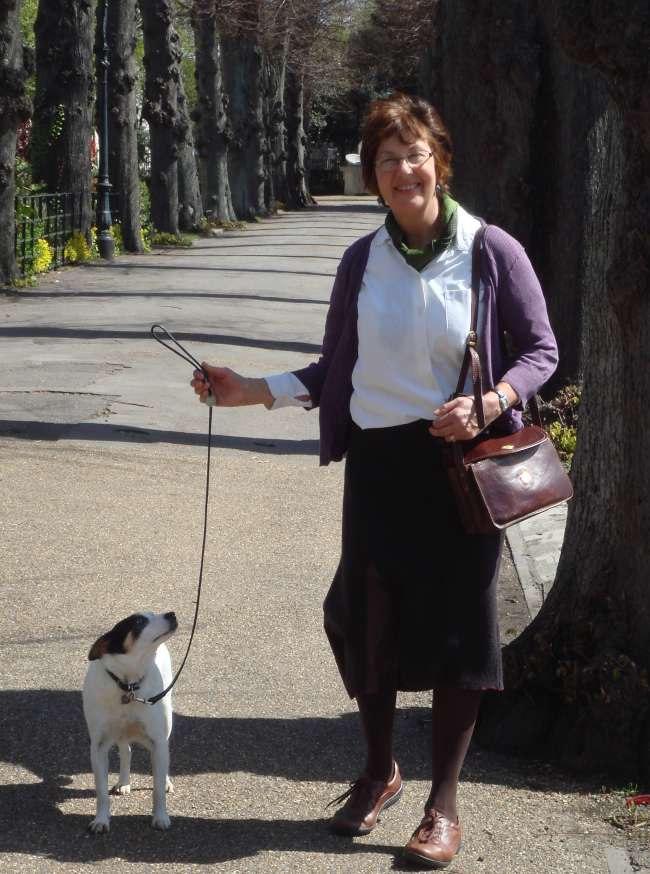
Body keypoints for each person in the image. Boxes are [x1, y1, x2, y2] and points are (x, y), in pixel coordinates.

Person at [191, 92, 558, 869]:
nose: (401, 171)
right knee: (367, 622)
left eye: (413, 154)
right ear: (373, 176)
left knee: (463, 630)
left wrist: (491, 401)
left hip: (461, 469)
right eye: (385, 160)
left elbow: (540, 351)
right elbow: (336, 367)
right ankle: (377, 770)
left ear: (441, 161)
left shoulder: (491, 251)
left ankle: (443, 805)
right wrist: (248, 387)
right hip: (381, 467)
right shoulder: (363, 260)